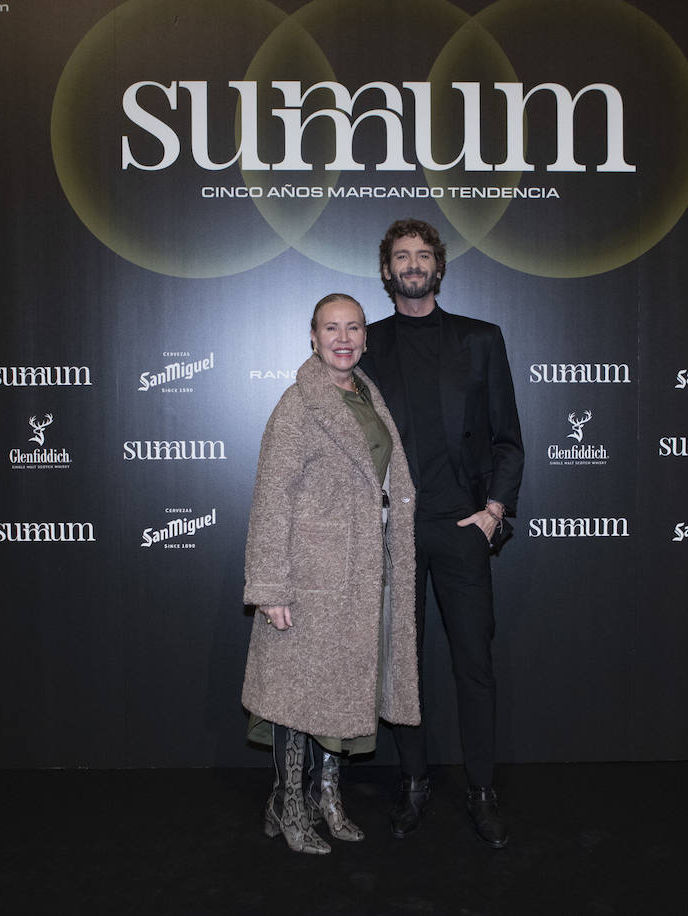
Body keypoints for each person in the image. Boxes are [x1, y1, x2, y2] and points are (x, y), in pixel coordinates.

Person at [359, 218, 524, 849]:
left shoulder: (481, 340)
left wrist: (493, 512)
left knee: (473, 664)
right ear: (386, 270)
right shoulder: (365, 347)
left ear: (439, 267)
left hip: (462, 528)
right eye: (401, 256)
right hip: (393, 531)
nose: (412, 265)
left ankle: (482, 789)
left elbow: (509, 439)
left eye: (422, 255)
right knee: (404, 668)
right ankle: (414, 781)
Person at [241, 293, 421, 855]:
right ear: (313, 336)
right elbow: (271, 496)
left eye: (353, 328)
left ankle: (327, 799)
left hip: (362, 573)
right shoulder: (298, 403)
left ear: (366, 337)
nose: (343, 338)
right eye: (330, 328)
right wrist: (269, 585)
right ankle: (291, 805)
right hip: (309, 575)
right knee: (297, 697)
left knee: (341, 691)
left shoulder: (369, 395)